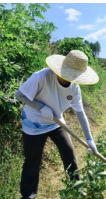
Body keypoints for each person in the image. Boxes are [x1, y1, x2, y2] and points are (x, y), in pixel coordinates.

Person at [15, 50, 99, 199]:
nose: (69, 78)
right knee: (32, 163)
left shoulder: (74, 88)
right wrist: (40, 107)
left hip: (56, 123)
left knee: (69, 154)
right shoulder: (41, 77)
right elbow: (19, 95)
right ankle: (28, 196)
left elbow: (80, 112)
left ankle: (77, 190)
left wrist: (89, 139)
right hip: (34, 124)